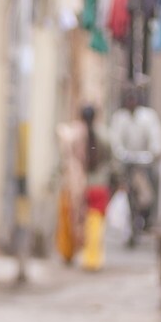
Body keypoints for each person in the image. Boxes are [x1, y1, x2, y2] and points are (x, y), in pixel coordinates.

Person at [56, 105, 112, 270]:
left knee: (69, 220)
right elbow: (111, 159)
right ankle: (92, 258)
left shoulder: (72, 134)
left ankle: (67, 253)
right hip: (97, 186)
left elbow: (63, 161)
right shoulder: (104, 134)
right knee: (94, 223)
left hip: (74, 185)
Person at [108, 85, 161, 244]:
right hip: (127, 164)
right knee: (126, 194)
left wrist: (152, 153)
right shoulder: (120, 118)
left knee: (148, 194)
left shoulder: (148, 117)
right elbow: (116, 141)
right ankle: (130, 227)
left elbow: (156, 139)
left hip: (144, 164)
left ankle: (146, 219)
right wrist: (121, 154)